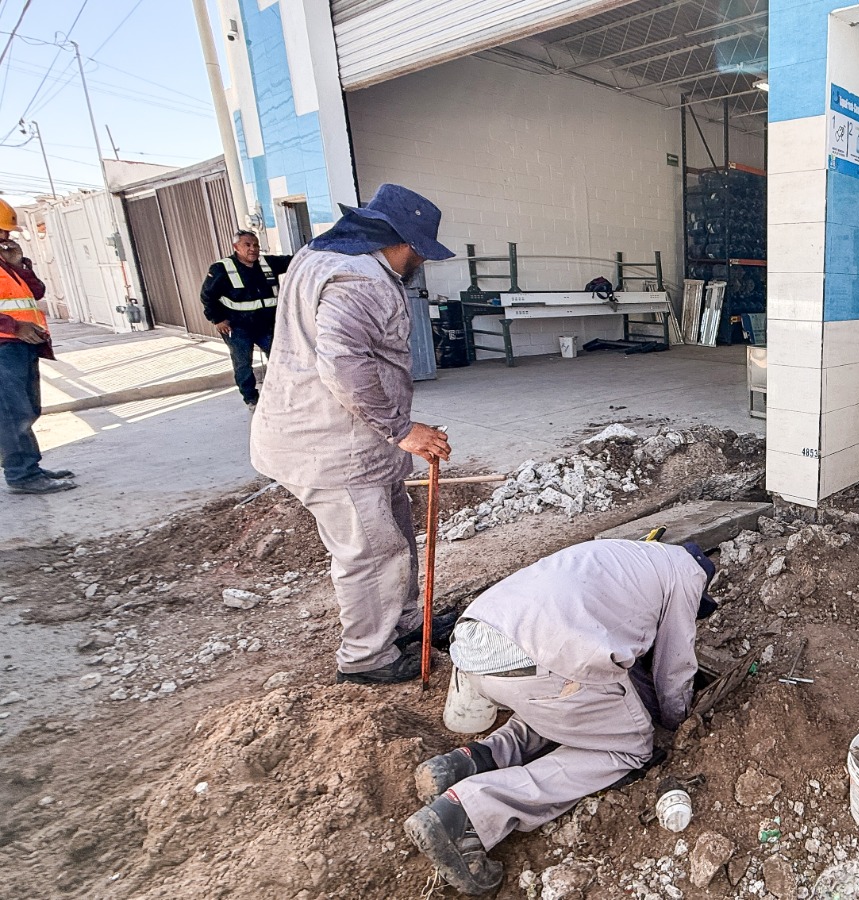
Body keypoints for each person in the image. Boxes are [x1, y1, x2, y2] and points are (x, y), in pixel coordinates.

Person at [404, 539, 716, 895]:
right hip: (536, 664)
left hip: (480, 641)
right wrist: (678, 723)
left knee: (563, 706)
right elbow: (673, 667)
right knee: (627, 747)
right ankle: (469, 813)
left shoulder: (629, 557)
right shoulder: (688, 574)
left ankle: (472, 760)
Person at [250, 184, 455, 685]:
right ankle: (367, 657)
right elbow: (343, 363)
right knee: (370, 551)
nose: (420, 263)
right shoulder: (360, 279)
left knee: (397, 534)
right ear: (401, 242)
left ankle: (405, 623)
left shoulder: (320, 255)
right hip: (331, 444)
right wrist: (402, 429)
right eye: (420, 252)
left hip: (357, 441)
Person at [0, 199, 75, 495]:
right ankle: (22, 475)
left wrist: (19, 265)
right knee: (11, 412)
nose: (7, 237)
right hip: (5, 346)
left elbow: (36, 292)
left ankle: (30, 466)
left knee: (28, 409)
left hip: (23, 346)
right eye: (2, 231)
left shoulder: (6, 262)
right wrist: (15, 326)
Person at [200, 230, 294, 410]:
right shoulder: (221, 268)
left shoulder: (268, 263)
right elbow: (207, 296)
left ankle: (281, 393)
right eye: (247, 245)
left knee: (279, 358)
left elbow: (294, 260)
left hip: (266, 325)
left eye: (256, 245)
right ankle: (251, 399)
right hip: (238, 326)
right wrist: (218, 319)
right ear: (236, 247)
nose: (253, 249)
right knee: (243, 363)